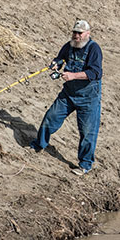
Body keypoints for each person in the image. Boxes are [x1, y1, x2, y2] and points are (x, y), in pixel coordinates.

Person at [32, 20, 103, 176]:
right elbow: (60, 58)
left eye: (80, 33)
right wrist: (55, 64)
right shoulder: (69, 45)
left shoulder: (94, 49)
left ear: (87, 34)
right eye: (74, 32)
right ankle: (38, 145)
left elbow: (96, 73)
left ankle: (85, 164)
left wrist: (73, 75)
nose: (76, 36)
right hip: (68, 94)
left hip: (88, 99)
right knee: (50, 117)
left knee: (87, 132)